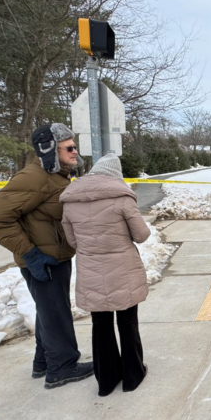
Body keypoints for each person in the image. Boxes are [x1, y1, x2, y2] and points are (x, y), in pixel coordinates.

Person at [0, 123, 93, 389]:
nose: (75, 152)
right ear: (50, 149)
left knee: (49, 311)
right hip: (43, 259)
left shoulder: (54, 176)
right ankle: (62, 368)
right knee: (56, 314)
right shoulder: (34, 177)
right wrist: (30, 253)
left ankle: (43, 361)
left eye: (74, 146)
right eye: (69, 147)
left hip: (54, 256)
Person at [60, 153, 151, 396]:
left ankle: (106, 380)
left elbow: (72, 241)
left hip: (90, 269)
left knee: (100, 325)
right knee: (127, 322)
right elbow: (141, 235)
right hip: (122, 270)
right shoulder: (122, 199)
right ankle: (132, 376)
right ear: (115, 176)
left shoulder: (70, 201)